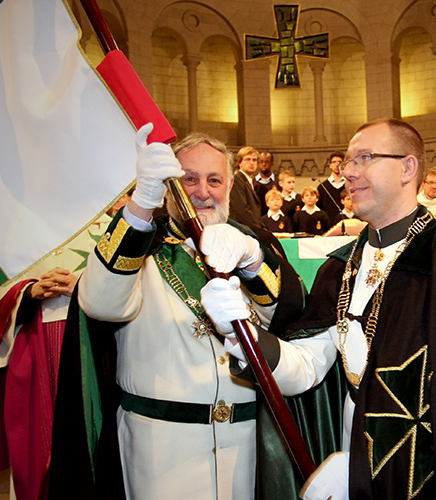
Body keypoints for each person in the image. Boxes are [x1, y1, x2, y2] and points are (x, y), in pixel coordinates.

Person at [202, 118, 436, 499]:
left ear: (408, 167)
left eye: (365, 158)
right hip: (351, 450)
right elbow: (305, 368)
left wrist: (362, 469)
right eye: (349, 160)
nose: (349, 171)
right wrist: (244, 334)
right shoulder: (339, 267)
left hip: (434, 470)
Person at [52, 124, 304, 500]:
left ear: (231, 185)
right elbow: (101, 305)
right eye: (189, 179)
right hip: (159, 450)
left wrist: (252, 263)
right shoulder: (140, 243)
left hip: (246, 449)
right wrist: (141, 205)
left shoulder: (253, 245)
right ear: (168, 184)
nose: (203, 192)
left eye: (214, 180)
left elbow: (284, 322)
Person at [0, 205, 115, 500]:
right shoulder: (18, 228)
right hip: (37, 350)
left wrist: (83, 284)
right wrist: (28, 292)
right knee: (39, 445)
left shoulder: (112, 229)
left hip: (93, 349)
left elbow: (129, 291)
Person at [229, 145, 262, 229]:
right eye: (248, 159)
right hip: (242, 229)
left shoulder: (251, 182)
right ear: (240, 163)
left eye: (254, 160)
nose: (251, 163)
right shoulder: (237, 180)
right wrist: (258, 229)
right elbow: (241, 210)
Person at [317, 151, 346, 224]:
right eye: (334, 162)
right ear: (330, 165)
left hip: (348, 224)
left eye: (339, 162)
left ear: (344, 165)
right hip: (328, 226)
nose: (337, 164)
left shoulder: (350, 185)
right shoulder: (322, 187)